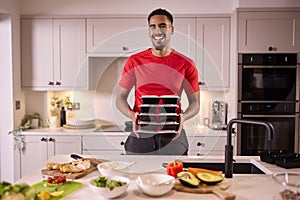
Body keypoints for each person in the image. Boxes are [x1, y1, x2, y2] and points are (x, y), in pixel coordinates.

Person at [116, 8, 200, 155]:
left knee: (174, 178)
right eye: (152, 26)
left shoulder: (186, 63)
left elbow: (195, 103)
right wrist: (131, 114)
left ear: (171, 29)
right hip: (141, 133)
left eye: (162, 25)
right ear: (149, 31)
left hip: (173, 135)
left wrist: (184, 117)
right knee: (136, 175)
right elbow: (120, 99)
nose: (157, 31)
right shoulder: (134, 61)